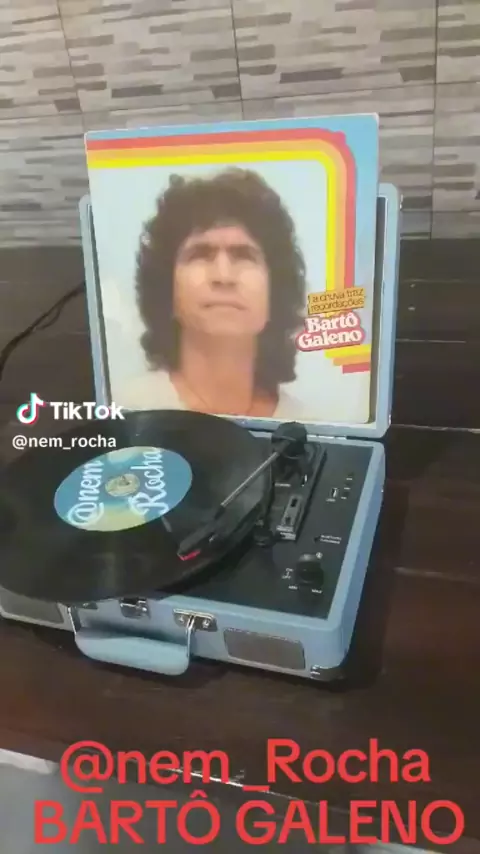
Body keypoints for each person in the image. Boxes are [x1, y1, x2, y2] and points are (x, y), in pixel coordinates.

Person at [121, 167, 309, 419]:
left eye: (244, 255)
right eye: (200, 254)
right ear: (166, 286)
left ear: (275, 289)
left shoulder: (310, 427)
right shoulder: (127, 411)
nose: (223, 276)